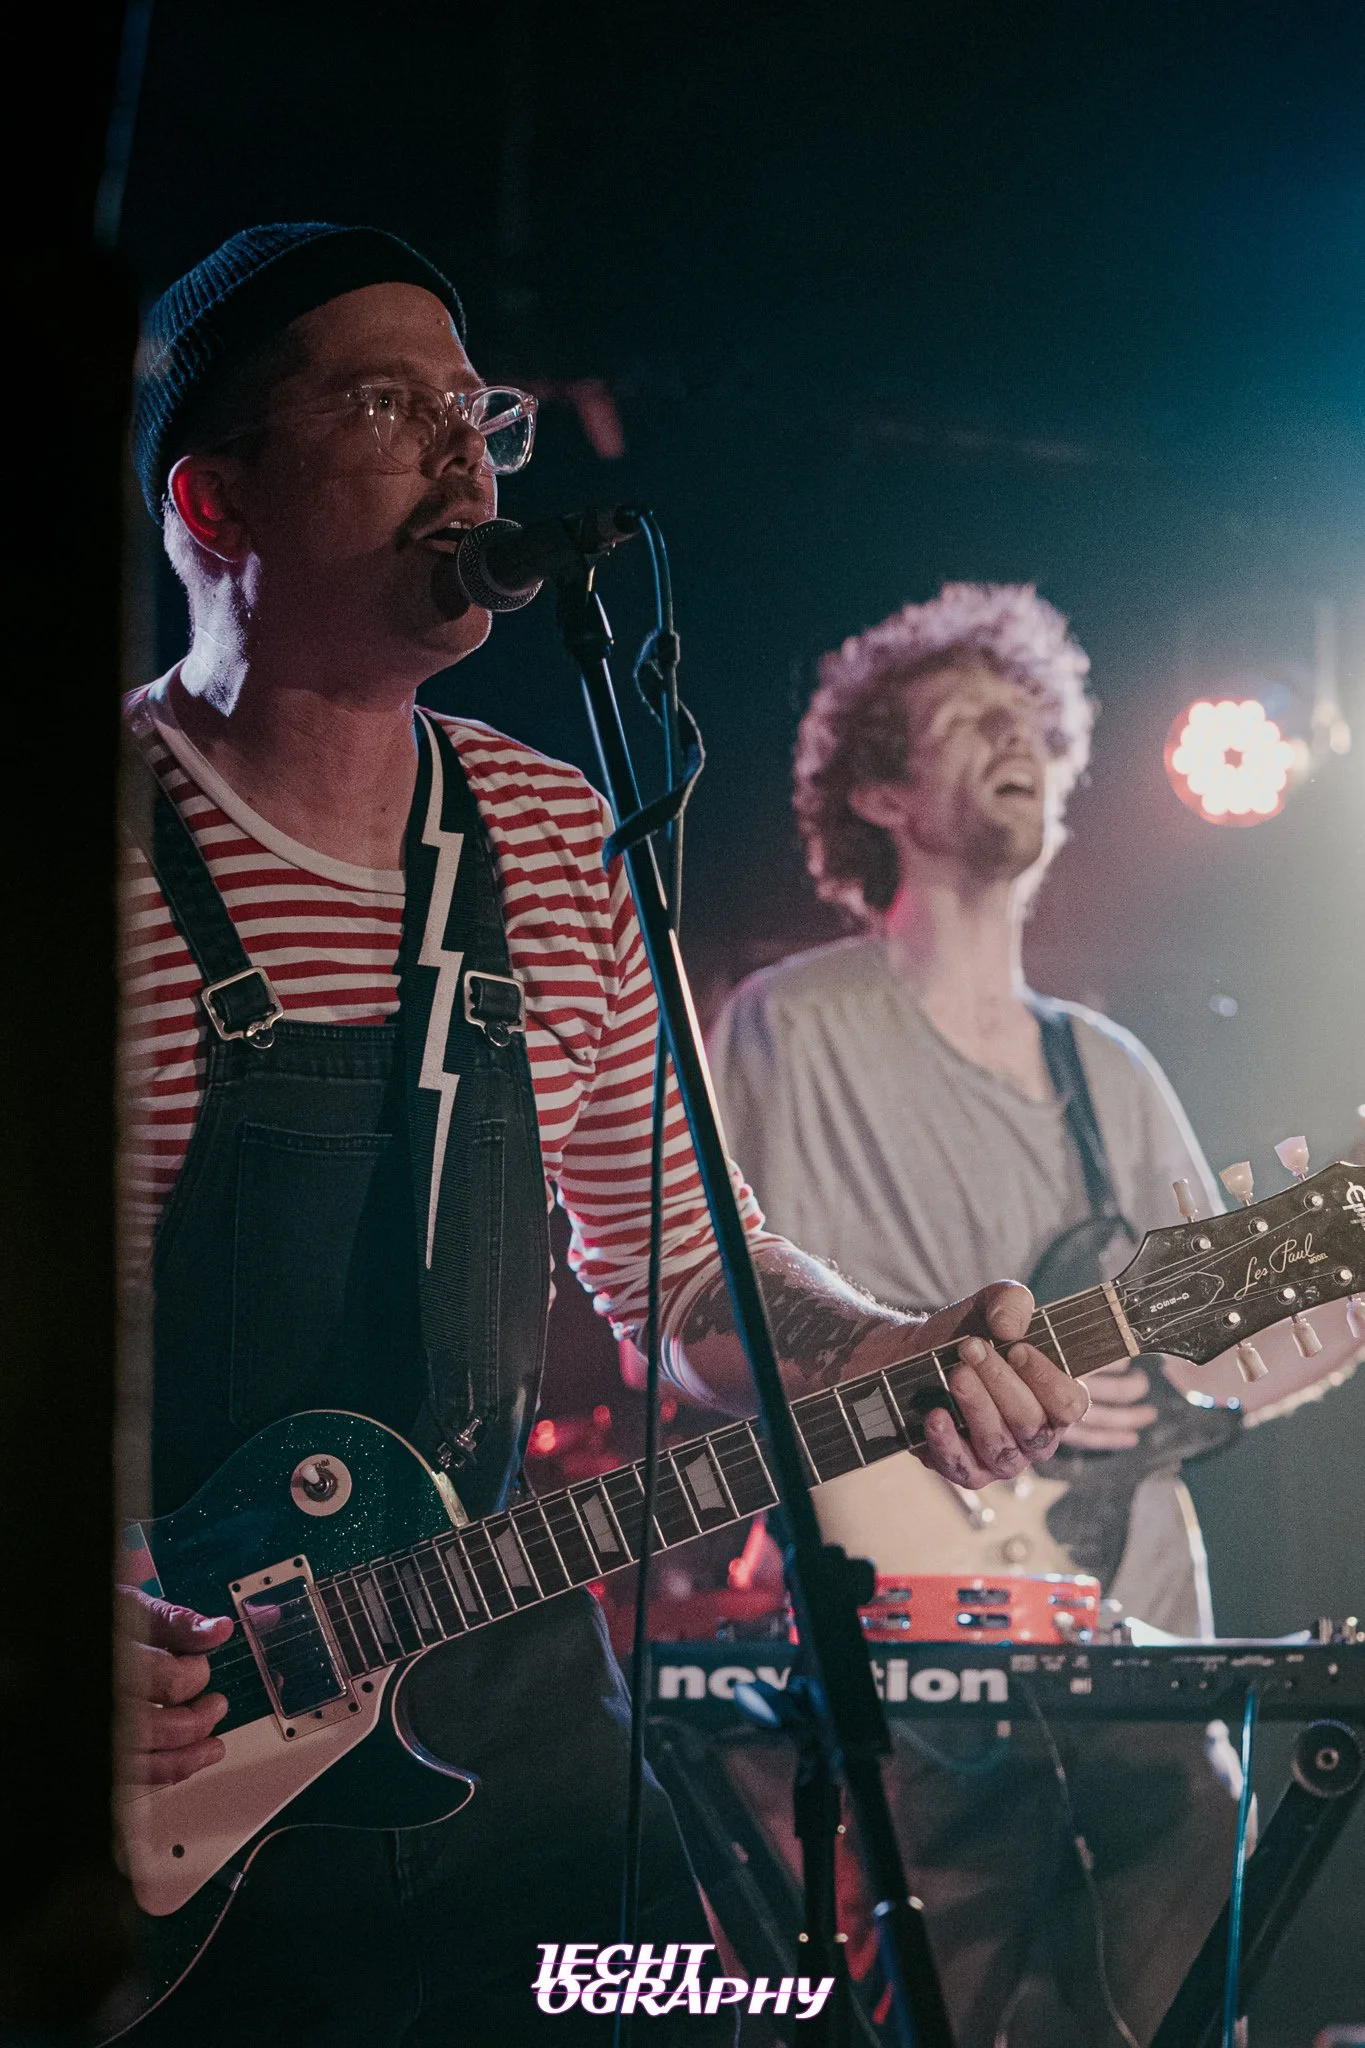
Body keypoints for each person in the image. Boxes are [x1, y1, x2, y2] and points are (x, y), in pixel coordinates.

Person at [113, 229, 1089, 2047]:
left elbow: (684, 1267)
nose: (469, 456)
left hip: (500, 1733)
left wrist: (886, 1350)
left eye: (480, 413)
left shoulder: (555, 836)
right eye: (387, 406)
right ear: (214, 499)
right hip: (139, 1773)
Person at [707, 584, 1363, 2046]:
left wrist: (1194, 1397)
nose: (1018, 738)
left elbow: (1233, 1342)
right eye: (970, 716)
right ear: (880, 791)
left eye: (1035, 724)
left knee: (1175, 1984)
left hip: (1131, 1627)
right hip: (895, 1626)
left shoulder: (1108, 1069)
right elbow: (704, 1320)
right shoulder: (787, 1025)